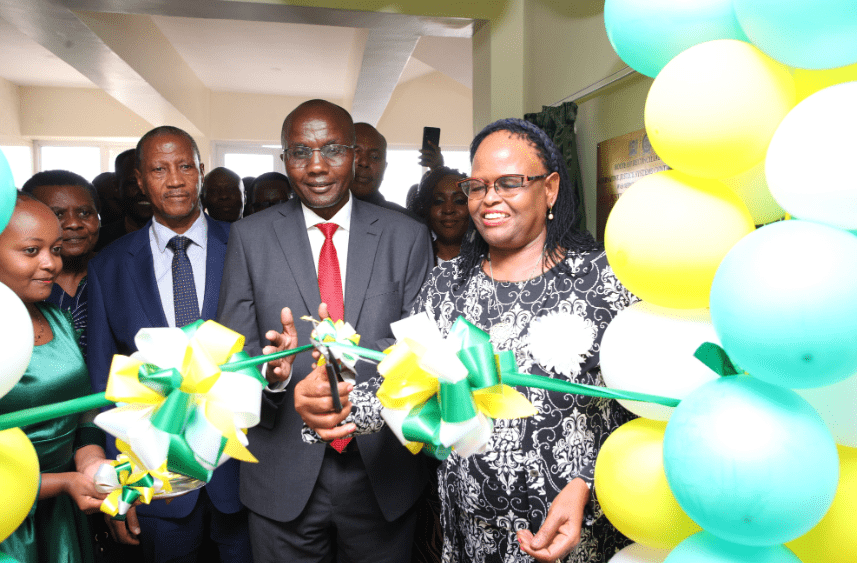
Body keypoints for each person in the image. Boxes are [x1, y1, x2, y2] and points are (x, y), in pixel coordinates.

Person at [297, 118, 636, 563]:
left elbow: (635, 412)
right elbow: (408, 388)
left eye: (509, 183)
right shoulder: (446, 286)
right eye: (477, 186)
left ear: (550, 189)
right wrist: (331, 405)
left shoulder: (602, 281)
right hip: (470, 532)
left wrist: (586, 486)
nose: (489, 198)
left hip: (573, 531)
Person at [215, 99, 433, 563]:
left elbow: (420, 349)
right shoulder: (249, 238)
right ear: (284, 160)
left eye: (333, 149)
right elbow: (234, 357)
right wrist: (274, 376)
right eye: (300, 152)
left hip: (381, 472)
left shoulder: (407, 236)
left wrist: (353, 387)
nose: (316, 166)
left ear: (356, 155)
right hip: (281, 476)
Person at [86, 126, 251, 563]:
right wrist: (117, 489)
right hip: (156, 480)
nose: (174, 180)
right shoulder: (109, 267)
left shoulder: (247, 245)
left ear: (200, 171)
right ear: (139, 181)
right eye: (159, 169)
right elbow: (104, 385)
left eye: (184, 167)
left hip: (242, 476)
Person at [0, 194, 108, 563]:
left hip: (63, 510)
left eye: (56, 249)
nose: (51, 263)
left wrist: (90, 459)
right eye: (32, 251)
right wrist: (60, 483)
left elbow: (78, 412)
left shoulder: (59, 320)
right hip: (10, 519)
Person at [22, 170, 101, 359]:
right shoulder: (17, 283)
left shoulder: (119, 271)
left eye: (84, 212)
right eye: (57, 214)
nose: (74, 223)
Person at [351, 122, 420, 219]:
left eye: (375, 157)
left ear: (384, 168)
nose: (364, 162)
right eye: (355, 153)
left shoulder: (408, 225)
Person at [410, 166, 469, 265]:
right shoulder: (412, 260)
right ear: (426, 208)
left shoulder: (488, 261)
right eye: (438, 201)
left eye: (459, 201)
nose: (448, 209)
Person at [95, 150, 152, 251]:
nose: (143, 191)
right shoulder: (96, 243)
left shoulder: (183, 236)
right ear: (117, 186)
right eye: (133, 182)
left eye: (151, 181)